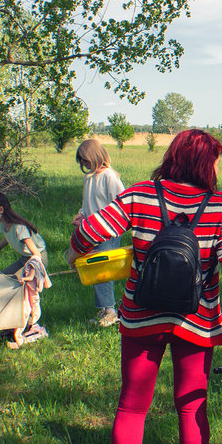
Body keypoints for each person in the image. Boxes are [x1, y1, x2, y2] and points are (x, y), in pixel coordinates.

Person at [67, 129, 222, 444]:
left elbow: (89, 232)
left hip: (140, 318)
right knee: (191, 407)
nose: (218, 167)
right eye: (216, 160)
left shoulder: (139, 195)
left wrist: (74, 250)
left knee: (132, 406)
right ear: (203, 163)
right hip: (197, 322)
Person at [0, 191, 49, 347]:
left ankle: (32, 326)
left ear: (1, 209)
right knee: (4, 280)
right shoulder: (6, 226)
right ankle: (10, 323)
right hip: (25, 259)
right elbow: (8, 237)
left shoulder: (19, 228)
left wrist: (31, 275)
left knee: (24, 292)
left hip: (36, 260)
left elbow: (36, 254)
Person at [76, 138, 126, 328]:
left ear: (95, 156)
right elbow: (87, 205)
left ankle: (111, 312)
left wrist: (108, 222)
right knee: (96, 271)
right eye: (81, 162)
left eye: (85, 160)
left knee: (104, 271)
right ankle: (105, 309)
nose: (84, 165)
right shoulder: (89, 178)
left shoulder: (109, 176)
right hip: (91, 231)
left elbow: (121, 203)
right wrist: (81, 216)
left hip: (109, 232)